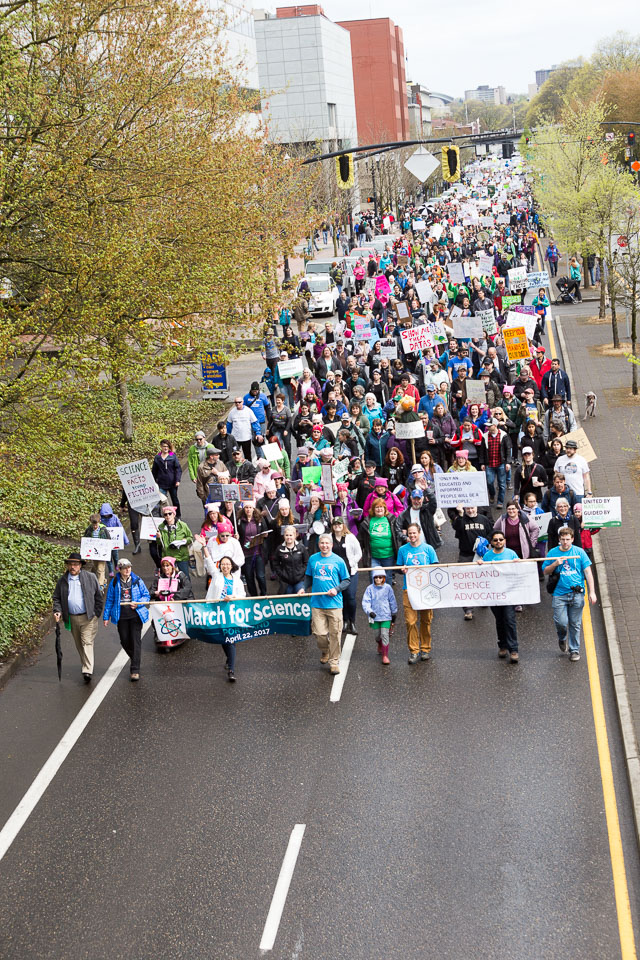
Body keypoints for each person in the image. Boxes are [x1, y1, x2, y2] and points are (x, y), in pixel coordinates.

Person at [543, 526, 597, 661]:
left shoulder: (579, 552)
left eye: (567, 539)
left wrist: (592, 592)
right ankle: (562, 637)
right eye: (563, 539)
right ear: (559, 540)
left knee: (575, 623)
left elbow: (588, 572)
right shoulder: (552, 552)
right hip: (559, 594)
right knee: (561, 622)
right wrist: (555, 564)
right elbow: (545, 571)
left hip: (577, 594)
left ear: (572, 539)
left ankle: (574, 650)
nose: (565, 542)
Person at [303, 533, 350, 675]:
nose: (324, 546)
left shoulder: (339, 561)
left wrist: (337, 589)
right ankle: (325, 650)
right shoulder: (313, 559)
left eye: (327, 543)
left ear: (331, 545)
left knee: (335, 634)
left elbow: (346, 580)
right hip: (317, 603)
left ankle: (334, 662)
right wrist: (303, 588)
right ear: (319, 544)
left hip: (334, 604)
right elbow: (308, 577)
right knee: (319, 634)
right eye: (322, 543)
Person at [53, 552, 104, 682]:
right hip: (72, 618)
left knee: (87, 641)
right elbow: (56, 598)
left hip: (88, 617)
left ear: (80, 565)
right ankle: (86, 664)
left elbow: (98, 596)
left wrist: (96, 613)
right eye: (70, 564)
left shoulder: (90, 577)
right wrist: (57, 610)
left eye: (75, 564)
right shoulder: (63, 581)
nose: (73, 567)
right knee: (79, 644)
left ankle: (87, 670)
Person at [474, 531, 520, 663]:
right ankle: (503, 646)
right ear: (492, 542)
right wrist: (480, 565)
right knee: (500, 620)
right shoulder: (487, 556)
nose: (498, 542)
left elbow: (520, 570)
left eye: (500, 539)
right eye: (495, 540)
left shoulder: (511, 554)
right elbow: (482, 574)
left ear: (504, 540)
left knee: (509, 620)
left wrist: (518, 563)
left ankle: (513, 649)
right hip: (494, 594)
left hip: (508, 593)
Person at [103, 557, 150, 681]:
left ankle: (135, 669)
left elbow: (146, 596)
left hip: (135, 616)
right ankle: (136, 658)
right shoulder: (114, 582)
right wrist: (106, 616)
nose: (127, 570)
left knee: (135, 641)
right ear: (119, 569)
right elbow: (109, 600)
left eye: (129, 567)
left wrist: (138, 603)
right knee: (124, 641)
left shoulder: (137, 580)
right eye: (124, 568)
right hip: (121, 616)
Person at [397, 523, 438, 664]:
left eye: (414, 533)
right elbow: (398, 567)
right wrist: (401, 570)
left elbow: (435, 566)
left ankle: (425, 648)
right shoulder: (402, 550)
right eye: (410, 533)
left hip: (426, 590)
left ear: (419, 533)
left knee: (426, 620)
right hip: (409, 589)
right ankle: (414, 651)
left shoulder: (428, 549)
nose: (412, 535)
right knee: (410, 621)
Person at [206, 555, 246, 681]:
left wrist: (233, 597)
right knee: (223, 639)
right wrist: (204, 547)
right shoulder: (216, 576)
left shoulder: (237, 580)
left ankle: (231, 670)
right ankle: (229, 658)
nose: (225, 566)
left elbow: (243, 595)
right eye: (223, 564)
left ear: (231, 565)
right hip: (217, 612)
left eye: (228, 564)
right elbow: (209, 562)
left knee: (231, 639)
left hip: (231, 614)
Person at [451, 506, 494, 621]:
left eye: (472, 508)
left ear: (476, 507)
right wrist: (460, 514)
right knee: (465, 582)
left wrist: (485, 541)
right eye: (468, 508)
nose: (470, 510)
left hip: (482, 555)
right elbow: (456, 527)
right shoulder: (461, 519)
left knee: (482, 579)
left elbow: (491, 532)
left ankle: (483, 599)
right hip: (466, 554)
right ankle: (468, 609)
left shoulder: (484, 519)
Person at [329, 515, 362, 634]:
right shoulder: (329, 538)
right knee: (341, 597)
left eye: (339, 524)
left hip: (350, 572)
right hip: (336, 574)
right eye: (335, 524)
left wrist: (352, 563)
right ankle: (344, 620)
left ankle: (352, 621)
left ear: (343, 525)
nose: (337, 526)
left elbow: (358, 553)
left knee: (350, 597)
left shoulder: (350, 537)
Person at [362, 567, 398, 665]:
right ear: (373, 578)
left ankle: (385, 655)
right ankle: (379, 643)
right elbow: (366, 602)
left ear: (384, 578)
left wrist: (394, 612)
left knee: (385, 635)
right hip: (375, 617)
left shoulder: (388, 588)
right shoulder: (370, 589)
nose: (378, 579)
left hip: (386, 616)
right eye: (376, 577)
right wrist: (369, 611)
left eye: (380, 577)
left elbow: (392, 600)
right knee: (377, 635)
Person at [156, 504, 193, 578]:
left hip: (181, 556)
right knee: (169, 578)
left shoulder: (182, 525)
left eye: (170, 513)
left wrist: (185, 540)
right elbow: (159, 543)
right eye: (165, 514)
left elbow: (190, 538)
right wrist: (158, 538)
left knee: (184, 577)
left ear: (174, 514)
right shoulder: (161, 527)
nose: (168, 516)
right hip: (168, 557)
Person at [272, 525, 309, 594]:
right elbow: (275, 563)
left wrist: (301, 573)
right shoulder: (279, 549)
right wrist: (281, 574)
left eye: (291, 535)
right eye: (287, 535)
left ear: (295, 536)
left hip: (299, 580)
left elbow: (306, 562)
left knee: (300, 596)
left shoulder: (301, 548)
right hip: (285, 581)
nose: (289, 537)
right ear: (284, 536)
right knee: (287, 597)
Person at [152, 439, 182, 518]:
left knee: (175, 500)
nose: (165, 448)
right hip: (161, 483)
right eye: (164, 446)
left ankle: (178, 515)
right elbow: (154, 471)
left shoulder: (173, 456)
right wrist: (153, 481)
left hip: (172, 483)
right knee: (162, 501)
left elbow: (178, 469)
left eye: (167, 446)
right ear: (161, 447)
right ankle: (164, 516)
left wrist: (177, 480)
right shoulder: (157, 457)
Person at [82, 512, 112, 588]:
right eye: (93, 525)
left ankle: (100, 585)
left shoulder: (103, 529)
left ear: (99, 522)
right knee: (96, 566)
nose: (95, 526)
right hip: (93, 553)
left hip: (102, 553)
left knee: (100, 568)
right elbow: (85, 540)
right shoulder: (89, 530)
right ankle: (104, 580)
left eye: (96, 525)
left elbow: (108, 539)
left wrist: (108, 550)